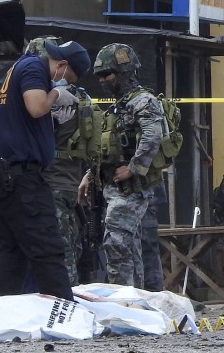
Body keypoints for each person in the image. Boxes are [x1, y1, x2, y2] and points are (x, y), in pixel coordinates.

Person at [0, 38, 90, 300]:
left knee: (10, 251)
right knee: (47, 246)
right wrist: (56, 95)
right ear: (62, 65)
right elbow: (35, 107)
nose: (63, 83)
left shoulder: (20, 67)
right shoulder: (34, 67)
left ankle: (2, 308)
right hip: (21, 177)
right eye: (68, 78)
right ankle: (62, 308)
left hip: (6, 174)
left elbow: (26, 116)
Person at [79, 43, 164, 288]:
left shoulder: (143, 101)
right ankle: (133, 297)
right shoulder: (118, 106)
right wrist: (89, 175)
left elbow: (153, 135)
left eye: (108, 74)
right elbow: (108, 148)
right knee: (129, 245)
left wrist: (134, 168)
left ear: (125, 71)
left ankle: (122, 300)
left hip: (131, 187)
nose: (103, 80)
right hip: (113, 187)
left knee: (116, 243)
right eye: (100, 75)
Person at [26, 36, 94, 288]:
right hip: (72, 182)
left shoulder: (56, 97)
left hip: (51, 182)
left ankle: (64, 298)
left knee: (57, 250)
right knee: (72, 246)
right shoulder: (83, 97)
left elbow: (38, 129)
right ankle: (72, 294)